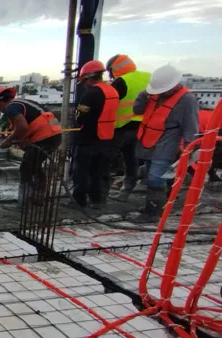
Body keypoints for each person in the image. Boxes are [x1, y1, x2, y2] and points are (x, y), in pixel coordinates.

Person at [133, 64, 199, 221]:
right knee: (151, 175)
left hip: (167, 144)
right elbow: (137, 110)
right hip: (148, 142)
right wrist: (143, 95)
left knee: (156, 177)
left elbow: (191, 126)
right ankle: (156, 205)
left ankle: (153, 213)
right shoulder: (154, 95)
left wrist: (189, 149)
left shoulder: (187, 100)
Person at [0, 87, 62, 206]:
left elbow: (22, 127)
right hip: (54, 135)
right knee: (34, 166)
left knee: (26, 168)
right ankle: (38, 198)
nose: (2, 112)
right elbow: (28, 126)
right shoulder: (23, 103)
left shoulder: (11, 107)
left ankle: (24, 201)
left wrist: (8, 140)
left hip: (44, 138)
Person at [67, 60, 119, 210]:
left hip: (88, 138)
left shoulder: (91, 94)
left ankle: (79, 201)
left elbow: (80, 117)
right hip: (106, 137)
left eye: (84, 81)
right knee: (98, 171)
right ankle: (96, 200)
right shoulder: (112, 91)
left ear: (89, 77)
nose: (84, 84)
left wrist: (76, 115)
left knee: (81, 172)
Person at [106, 54, 151, 200]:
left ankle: (100, 195)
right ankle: (126, 192)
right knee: (132, 161)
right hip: (145, 127)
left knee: (107, 161)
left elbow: (107, 105)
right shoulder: (148, 77)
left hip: (122, 128)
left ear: (114, 69)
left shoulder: (121, 81)